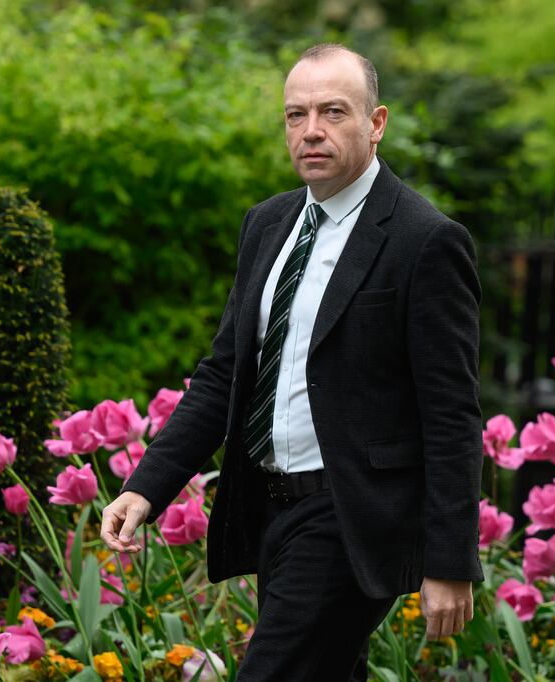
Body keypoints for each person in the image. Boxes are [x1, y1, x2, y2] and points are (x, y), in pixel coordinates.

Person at [100, 43, 484, 681]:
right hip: (271, 509)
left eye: (334, 112)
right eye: (295, 115)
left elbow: (451, 414)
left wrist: (449, 561)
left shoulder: (425, 240)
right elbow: (224, 372)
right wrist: (146, 487)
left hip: (350, 519)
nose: (312, 130)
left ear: (376, 122)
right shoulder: (268, 223)